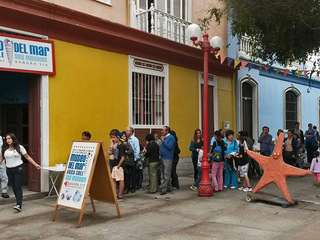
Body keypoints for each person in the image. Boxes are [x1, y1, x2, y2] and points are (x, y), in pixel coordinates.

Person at [0, 133, 41, 212]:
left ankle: (19, 205)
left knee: (18, 186)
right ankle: (18, 201)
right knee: (14, 187)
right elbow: (1, 159)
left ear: (13, 139)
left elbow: (27, 156)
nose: (8, 140)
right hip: (9, 169)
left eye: (10, 138)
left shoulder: (19, 147)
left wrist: (36, 165)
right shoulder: (4, 148)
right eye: (7, 139)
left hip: (18, 168)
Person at [160, 126, 176, 195]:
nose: (161, 131)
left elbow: (169, 146)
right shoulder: (165, 138)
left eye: (163, 130)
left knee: (167, 173)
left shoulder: (171, 138)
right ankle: (169, 186)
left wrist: (163, 141)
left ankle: (164, 188)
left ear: (167, 131)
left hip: (168, 158)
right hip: (163, 157)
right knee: (163, 173)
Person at [112, 131, 126, 201]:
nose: (113, 139)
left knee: (120, 179)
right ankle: (115, 194)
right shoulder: (117, 145)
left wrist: (118, 165)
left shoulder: (121, 146)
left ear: (118, 138)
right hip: (115, 164)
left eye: (114, 137)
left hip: (119, 165)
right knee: (114, 179)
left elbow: (122, 157)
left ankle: (120, 195)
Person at [126, 127, 140, 192]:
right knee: (127, 174)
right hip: (126, 159)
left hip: (133, 159)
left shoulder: (135, 139)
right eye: (126, 130)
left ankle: (133, 187)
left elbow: (137, 149)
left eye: (128, 131)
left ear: (132, 132)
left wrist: (135, 159)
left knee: (133, 174)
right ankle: (127, 187)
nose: (126, 132)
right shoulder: (125, 139)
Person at [0, 133, 9, 198]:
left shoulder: (2, 139)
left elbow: (5, 148)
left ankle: (4, 191)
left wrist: (2, 157)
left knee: (4, 176)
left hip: (1, 158)